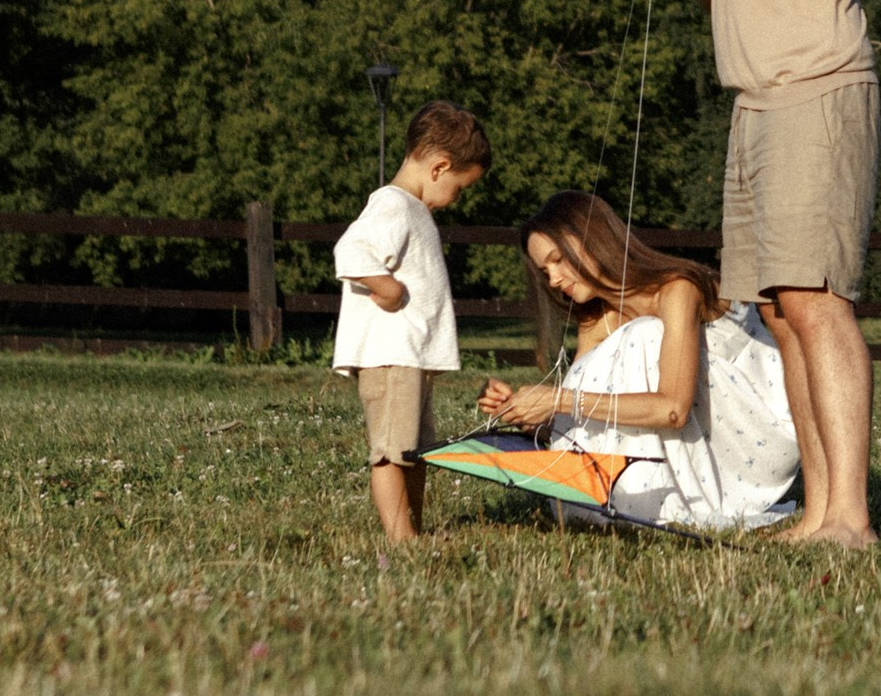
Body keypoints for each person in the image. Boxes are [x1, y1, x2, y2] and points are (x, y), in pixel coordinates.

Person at [644, 0, 881, 549]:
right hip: (755, 104)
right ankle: (818, 510)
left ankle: (849, 517)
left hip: (815, 89)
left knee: (819, 304)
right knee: (780, 312)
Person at [476, 191, 800, 531]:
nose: (554, 280)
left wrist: (558, 399)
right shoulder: (597, 317)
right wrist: (530, 413)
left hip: (755, 431)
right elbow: (582, 411)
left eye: (558, 260)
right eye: (545, 271)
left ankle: (653, 497)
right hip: (697, 427)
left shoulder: (677, 290)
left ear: (593, 238)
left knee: (643, 335)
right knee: (612, 356)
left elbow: (672, 409)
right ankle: (620, 492)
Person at [332, 99, 491, 542]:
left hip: (410, 359)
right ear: (439, 167)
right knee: (390, 453)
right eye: (460, 188)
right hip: (391, 356)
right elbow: (350, 250)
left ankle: (413, 531)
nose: (455, 200)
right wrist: (387, 287)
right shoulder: (394, 205)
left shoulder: (412, 210)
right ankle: (401, 541)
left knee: (414, 452)